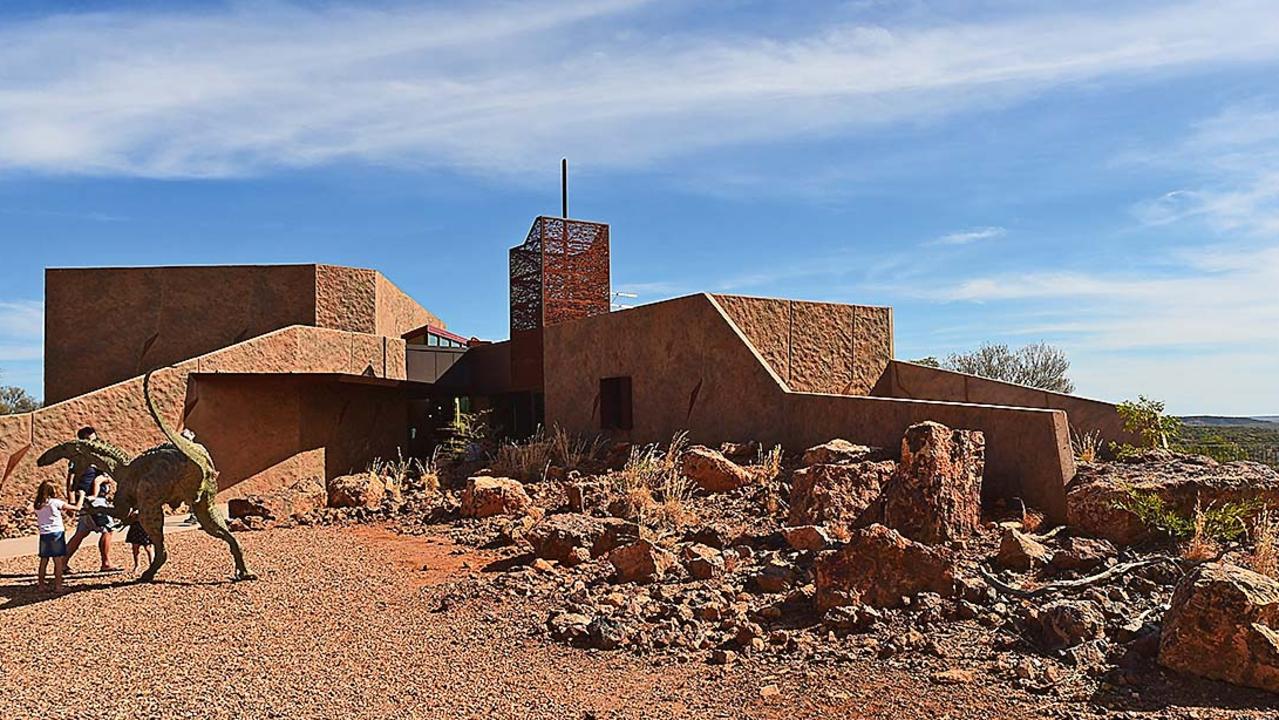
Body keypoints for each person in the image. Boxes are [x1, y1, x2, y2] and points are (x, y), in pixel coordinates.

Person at [64, 425, 123, 573]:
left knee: (82, 532)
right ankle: (106, 563)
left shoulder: (94, 457)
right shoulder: (81, 459)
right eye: (90, 439)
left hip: (89, 500)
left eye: (94, 439)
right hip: (92, 500)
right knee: (108, 529)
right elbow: (70, 480)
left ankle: (62, 563)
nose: (94, 442)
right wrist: (71, 501)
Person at [34, 479, 81, 593]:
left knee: (44, 560)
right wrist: (82, 496)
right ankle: (58, 586)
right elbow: (77, 508)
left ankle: (41, 585)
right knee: (58, 561)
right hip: (56, 533)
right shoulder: (55, 502)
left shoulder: (38, 505)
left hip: (44, 534)